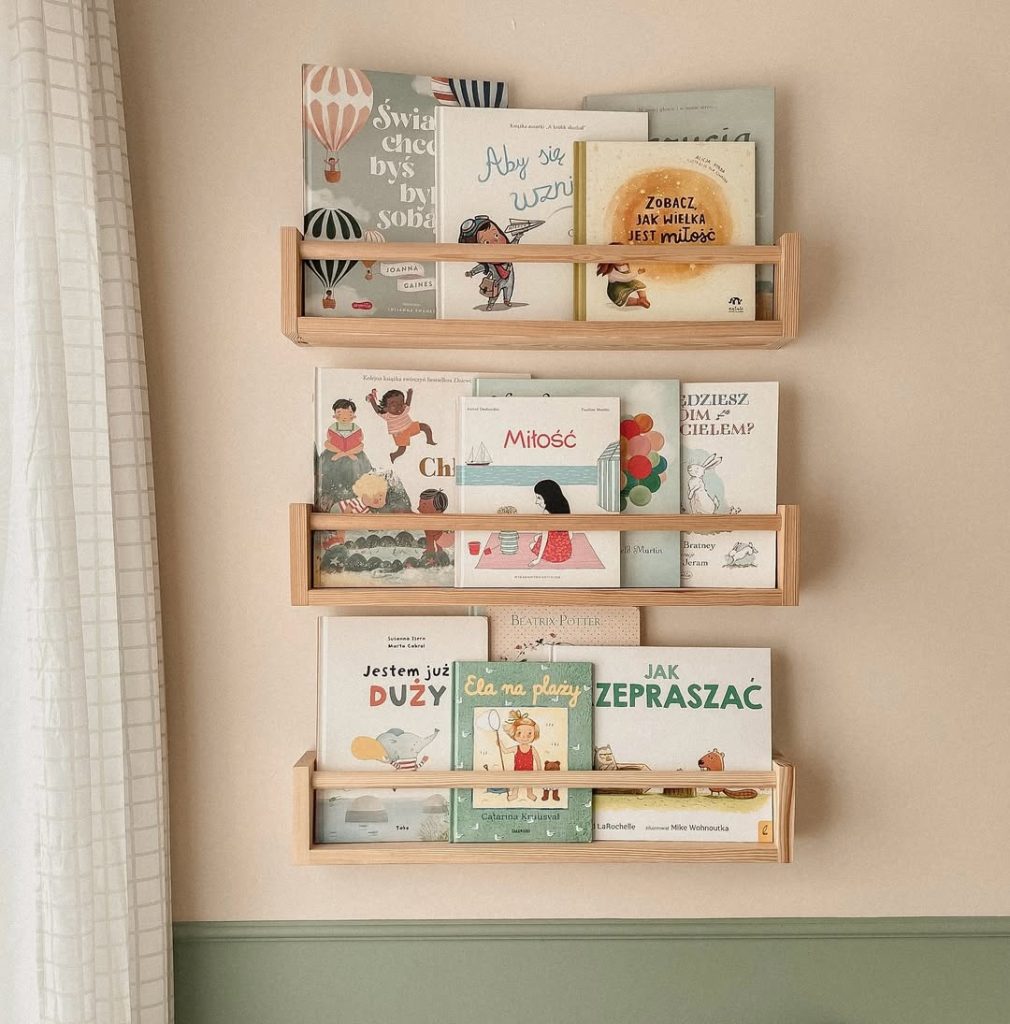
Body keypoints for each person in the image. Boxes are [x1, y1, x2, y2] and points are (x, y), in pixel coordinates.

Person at [459, 215, 516, 311]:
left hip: (509, 276)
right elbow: (481, 267)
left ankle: (507, 300)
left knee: (509, 288)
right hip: (497, 280)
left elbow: (514, 248)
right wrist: (472, 272)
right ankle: (491, 304)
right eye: (486, 243)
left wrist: (517, 238)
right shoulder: (490, 263)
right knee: (494, 293)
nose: (495, 240)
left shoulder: (508, 253)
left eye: (497, 235)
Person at [365, 387, 436, 463]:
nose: (398, 407)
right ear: (386, 408)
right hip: (399, 434)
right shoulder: (387, 415)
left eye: (400, 404)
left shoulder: (404, 409)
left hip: (410, 426)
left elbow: (408, 403)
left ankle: (429, 440)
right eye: (394, 406)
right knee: (402, 450)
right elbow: (377, 410)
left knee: (425, 427)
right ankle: (394, 455)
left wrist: (409, 394)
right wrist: (372, 400)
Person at [529, 479, 573, 566]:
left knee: (532, 544)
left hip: (555, 555)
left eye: (539, 498)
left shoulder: (546, 513)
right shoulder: (564, 505)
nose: (536, 502)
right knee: (537, 537)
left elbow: (545, 538)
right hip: (566, 552)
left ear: (548, 496)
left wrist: (538, 559)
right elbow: (570, 534)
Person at [501, 710, 541, 802]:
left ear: (535, 734)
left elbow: (538, 759)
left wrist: (539, 770)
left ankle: (530, 794)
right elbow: (505, 751)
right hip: (517, 772)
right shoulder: (516, 748)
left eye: (529, 734)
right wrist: (500, 744)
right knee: (516, 783)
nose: (524, 737)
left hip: (529, 772)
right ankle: (514, 794)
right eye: (519, 733)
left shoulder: (532, 749)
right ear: (513, 734)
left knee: (529, 784)